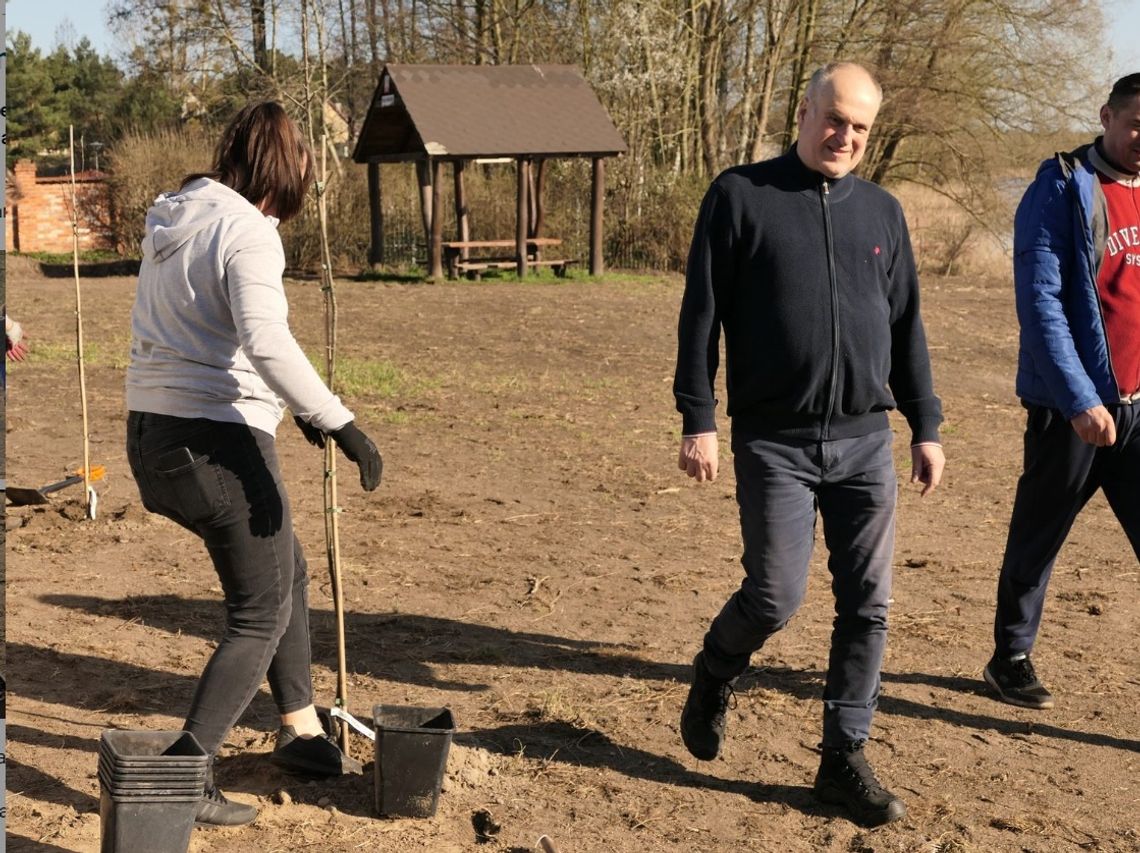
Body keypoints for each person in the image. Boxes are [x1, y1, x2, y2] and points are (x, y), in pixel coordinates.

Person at [673, 61, 945, 827]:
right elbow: (701, 317)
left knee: (869, 603)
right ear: (804, 111)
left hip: (865, 440)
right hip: (775, 441)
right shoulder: (740, 195)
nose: (845, 136)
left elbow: (907, 327)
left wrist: (926, 424)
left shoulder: (884, 214)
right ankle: (716, 668)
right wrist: (699, 416)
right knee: (774, 595)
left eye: (860, 127)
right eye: (834, 119)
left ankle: (843, 755)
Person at [125, 101, 383, 827]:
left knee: (286, 571)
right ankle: (186, 768)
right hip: (217, 443)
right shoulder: (247, 230)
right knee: (261, 609)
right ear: (287, 174)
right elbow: (265, 339)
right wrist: (339, 420)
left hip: (152, 437)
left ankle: (301, 726)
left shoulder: (179, 217)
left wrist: (292, 406)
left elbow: (207, 331)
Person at [984, 73, 1140, 710]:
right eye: (1137, 125)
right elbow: (1041, 302)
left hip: (1138, 407)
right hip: (1070, 411)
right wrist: (1080, 399)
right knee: (1038, 536)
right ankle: (1011, 659)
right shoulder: (1062, 188)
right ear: (1107, 115)